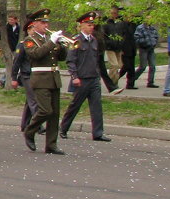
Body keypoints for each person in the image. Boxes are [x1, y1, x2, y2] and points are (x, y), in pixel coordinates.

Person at [60, 12, 117, 142]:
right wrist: (74, 76)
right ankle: (63, 128)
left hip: (93, 79)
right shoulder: (76, 41)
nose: (92, 27)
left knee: (97, 107)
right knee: (75, 106)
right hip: (82, 79)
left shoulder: (94, 40)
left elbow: (96, 60)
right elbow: (71, 61)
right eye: (89, 24)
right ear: (82, 26)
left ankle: (98, 133)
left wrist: (98, 74)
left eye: (92, 25)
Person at [22, 9, 68, 154]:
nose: (45, 25)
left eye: (47, 22)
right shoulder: (30, 40)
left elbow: (61, 58)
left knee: (54, 113)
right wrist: (52, 41)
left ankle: (51, 144)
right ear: (34, 24)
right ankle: (30, 131)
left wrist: (62, 46)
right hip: (40, 79)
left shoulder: (49, 39)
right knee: (45, 110)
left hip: (54, 78)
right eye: (42, 22)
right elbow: (36, 54)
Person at [132, 14, 160, 88]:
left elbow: (156, 36)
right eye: (148, 19)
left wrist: (154, 43)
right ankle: (132, 79)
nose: (149, 21)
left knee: (153, 66)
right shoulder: (140, 28)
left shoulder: (152, 28)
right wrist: (145, 42)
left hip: (151, 49)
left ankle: (150, 82)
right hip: (143, 49)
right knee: (143, 66)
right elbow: (137, 38)